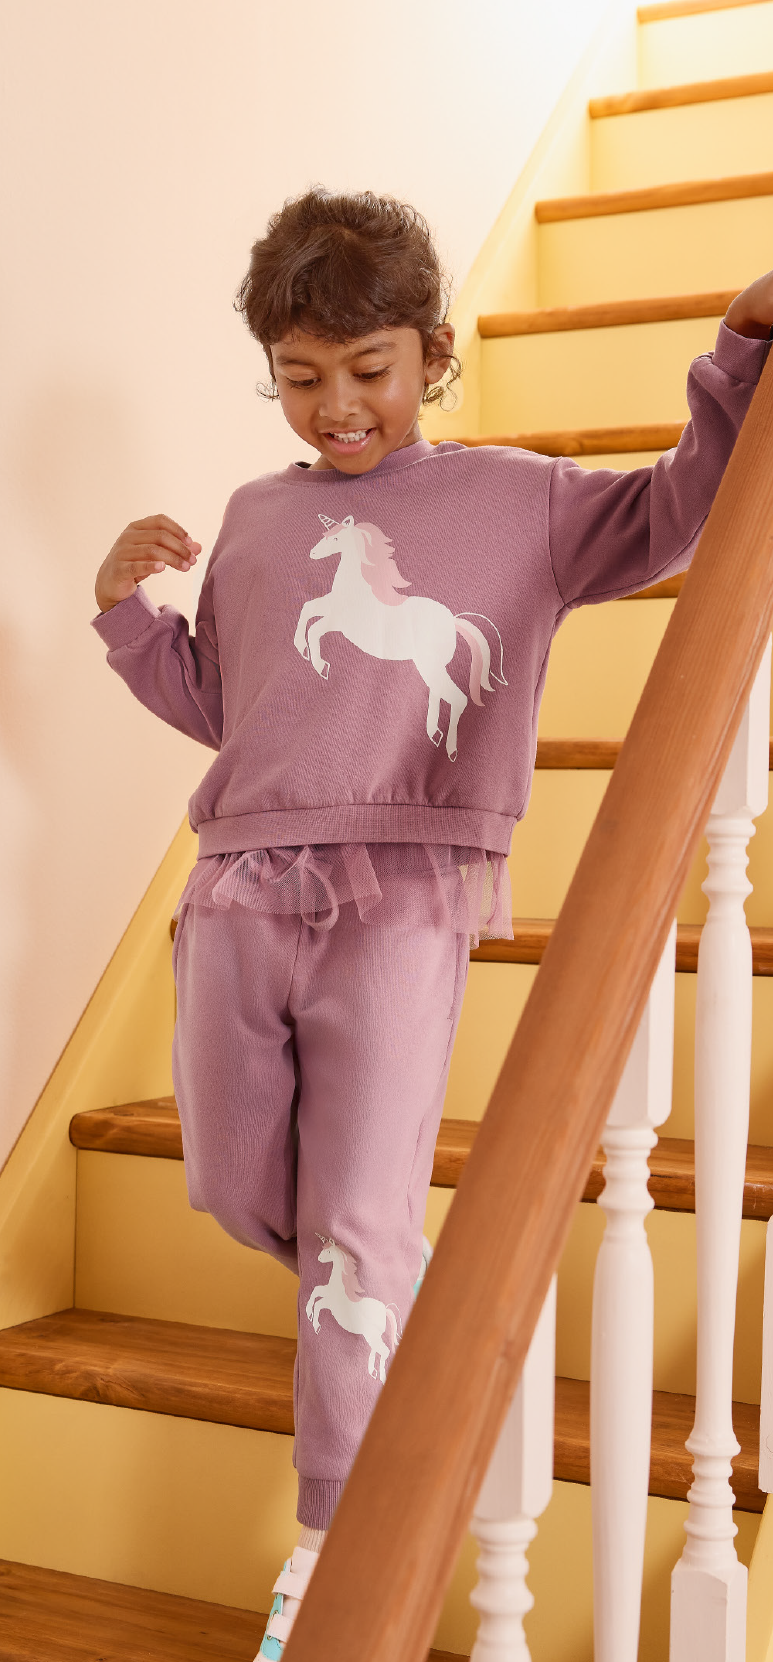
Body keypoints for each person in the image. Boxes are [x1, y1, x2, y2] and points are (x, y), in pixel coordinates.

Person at [92, 188, 772, 1659]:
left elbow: (679, 508)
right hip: (239, 886)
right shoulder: (257, 518)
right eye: (303, 377)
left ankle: (329, 1545)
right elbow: (228, 701)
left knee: (353, 1226)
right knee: (229, 1183)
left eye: (371, 369)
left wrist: (736, 353)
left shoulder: (517, 501)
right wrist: (129, 614)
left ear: (433, 355)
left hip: (402, 899)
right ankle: (385, 1282)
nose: (340, 406)